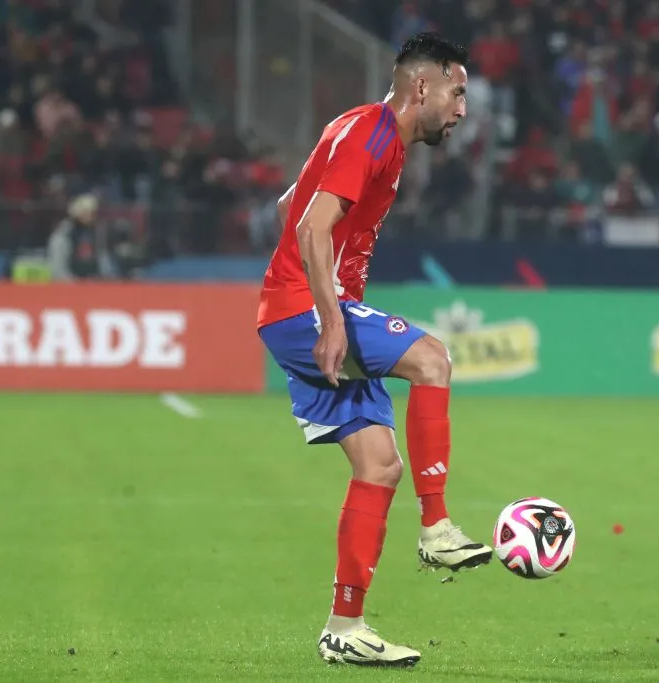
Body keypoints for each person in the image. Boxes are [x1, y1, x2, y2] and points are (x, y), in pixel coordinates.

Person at [256, 33, 491, 668]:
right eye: (458, 92)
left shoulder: (359, 129)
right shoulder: (374, 134)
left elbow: (289, 205)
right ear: (423, 86)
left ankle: (345, 626)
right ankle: (437, 527)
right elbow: (309, 225)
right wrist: (329, 316)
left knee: (380, 466)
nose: (462, 110)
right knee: (433, 359)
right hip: (307, 311)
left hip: (297, 308)